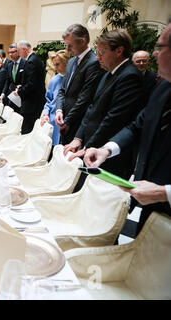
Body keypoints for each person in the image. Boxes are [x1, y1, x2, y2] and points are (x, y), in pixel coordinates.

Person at [82, 23, 171, 236]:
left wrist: (165, 192)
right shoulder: (163, 87)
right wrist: (107, 149)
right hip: (151, 203)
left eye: (160, 48)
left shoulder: (133, 77)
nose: (154, 55)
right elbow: (138, 124)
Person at [65, 29, 144, 180]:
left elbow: (113, 119)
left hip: (108, 154)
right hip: (92, 146)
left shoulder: (130, 76)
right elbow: (91, 108)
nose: (97, 56)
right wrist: (79, 138)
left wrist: (88, 146)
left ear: (119, 51)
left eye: (102, 52)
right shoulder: (108, 73)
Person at [55, 24, 103, 145]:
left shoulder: (94, 62)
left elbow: (85, 99)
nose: (67, 50)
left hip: (78, 122)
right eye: (66, 45)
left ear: (83, 41)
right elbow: (62, 90)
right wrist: (59, 110)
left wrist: (67, 121)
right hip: (65, 118)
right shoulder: (71, 61)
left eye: (70, 45)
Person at [15, 40, 46, 134]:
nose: (18, 54)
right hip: (35, 101)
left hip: (32, 103)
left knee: (27, 130)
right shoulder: (34, 59)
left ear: (25, 49)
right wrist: (22, 86)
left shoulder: (31, 61)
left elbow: (32, 84)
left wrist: (19, 91)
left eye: (18, 51)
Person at [41, 50, 71, 145]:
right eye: (54, 64)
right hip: (53, 121)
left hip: (67, 120)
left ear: (66, 63)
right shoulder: (54, 80)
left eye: (57, 64)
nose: (55, 67)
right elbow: (48, 100)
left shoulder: (73, 79)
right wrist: (46, 114)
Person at [0, 43, 25, 107]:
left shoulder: (25, 63)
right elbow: (8, 81)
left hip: (23, 95)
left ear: (18, 51)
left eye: (12, 52)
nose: (10, 54)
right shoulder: (9, 65)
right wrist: (3, 94)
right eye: (9, 52)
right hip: (12, 95)